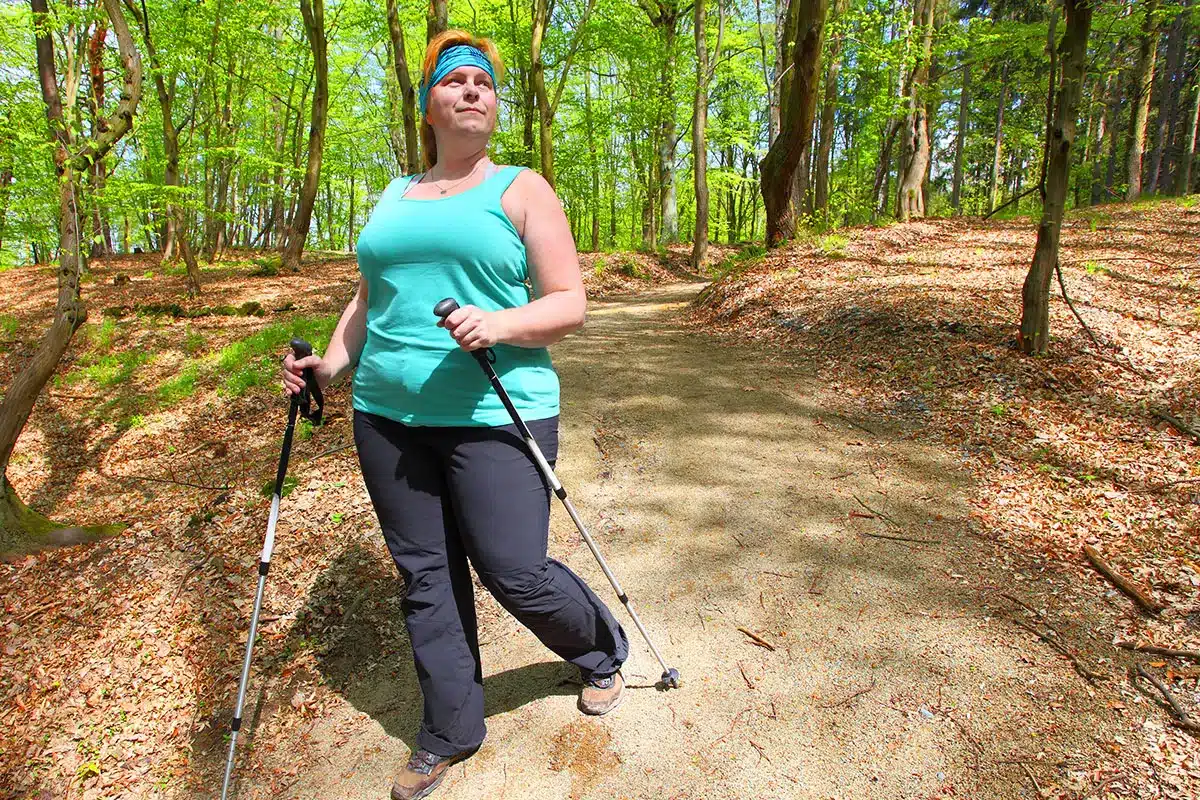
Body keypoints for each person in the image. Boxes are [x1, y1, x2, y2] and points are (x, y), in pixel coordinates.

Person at [281, 29, 629, 800]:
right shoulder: (392, 196)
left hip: (496, 408)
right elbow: (370, 301)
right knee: (425, 577)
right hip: (386, 417)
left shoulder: (521, 187)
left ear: (494, 106)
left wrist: (497, 324)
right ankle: (450, 726)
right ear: (428, 106)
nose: (473, 90)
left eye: (484, 82)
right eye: (455, 81)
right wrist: (327, 368)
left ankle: (602, 649)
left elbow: (569, 302)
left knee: (514, 569)